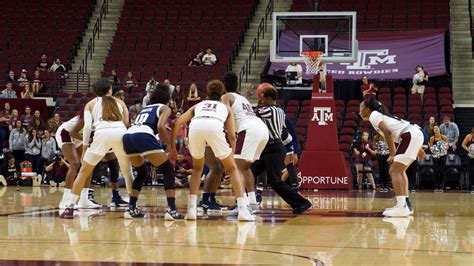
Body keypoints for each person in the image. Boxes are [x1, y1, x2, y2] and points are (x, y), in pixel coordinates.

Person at [170, 80, 255, 221]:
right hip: (214, 126)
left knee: (197, 169)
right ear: (222, 93)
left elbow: (177, 122)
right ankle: (243, 210)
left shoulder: (199, 105)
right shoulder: (225, 107)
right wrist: (232, 155)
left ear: (207, 94)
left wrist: (172, 148)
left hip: (195, 127)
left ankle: (191, 210)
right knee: (233, 169)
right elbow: (232, 135)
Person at [60, 78, 130, 219]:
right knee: (127, 171)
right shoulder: (120, 102)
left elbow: (87, 127)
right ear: (110, 90)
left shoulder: (91, 104)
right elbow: (127, 123)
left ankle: (70, 207)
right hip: (120, 131)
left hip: (102, 133)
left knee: (84, 172)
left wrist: (85, 146)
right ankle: (133, 206)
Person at [122, 84, 184, 219]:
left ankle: (131, 208)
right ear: (168, 97)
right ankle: (172, 210)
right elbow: (160, 126)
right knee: (168, 171)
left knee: (142, 172)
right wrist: (171, 147)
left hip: (128, 137)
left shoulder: (146, 108)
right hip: (143, 136)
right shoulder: (164, 108)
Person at [251, 84, 312, 214]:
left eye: (262, 98)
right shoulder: (280, 110)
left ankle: (302, 202)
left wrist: (250, 98)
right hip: (271, 148)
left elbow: (250, 115)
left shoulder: (268, 110)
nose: (261, 100)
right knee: (249, 173)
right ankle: (246, 202)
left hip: (273, 148)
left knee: (275, 181)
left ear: (267, 98)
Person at [359, 97, 424, 217]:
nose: (359, 111)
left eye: (361, 108)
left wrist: (393, 154)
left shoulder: (374, 115)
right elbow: (393, 133)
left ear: (367, 109)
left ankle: (401, 207)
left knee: (394, 171)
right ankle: (405, 204)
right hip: (413, 134)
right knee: (400, 171)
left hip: (409, 135)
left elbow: (388, 132)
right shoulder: (380, 115)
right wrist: (418, 148)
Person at [220, 72, 269, 213]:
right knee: (245, 168)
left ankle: (243, 205)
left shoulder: (225, 97)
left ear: (223, 86)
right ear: (237, 86)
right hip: (261, 130)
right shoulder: (243, 99)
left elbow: (227, 114)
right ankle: (253, 204)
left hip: (248, 130)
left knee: (236, 169)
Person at [429, 126, 448, 193]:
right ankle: (436, 186)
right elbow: (431, 147)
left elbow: (446, 146)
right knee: (436, 171)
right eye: (434, 128)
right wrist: (436, 152)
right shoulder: (432, 138)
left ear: (439, 130)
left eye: (437, 128)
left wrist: (441, 150)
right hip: (435, 155)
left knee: (442, 171)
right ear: (433, 130)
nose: (436, 129)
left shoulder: (444, 137)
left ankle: (441, 186)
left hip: (443, 155)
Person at [461, 128, 474, 193]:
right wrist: (469, 150)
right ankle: (472, 187)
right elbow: (463, 144)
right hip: (470, 156)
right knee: (471, 171)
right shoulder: (469, 136)